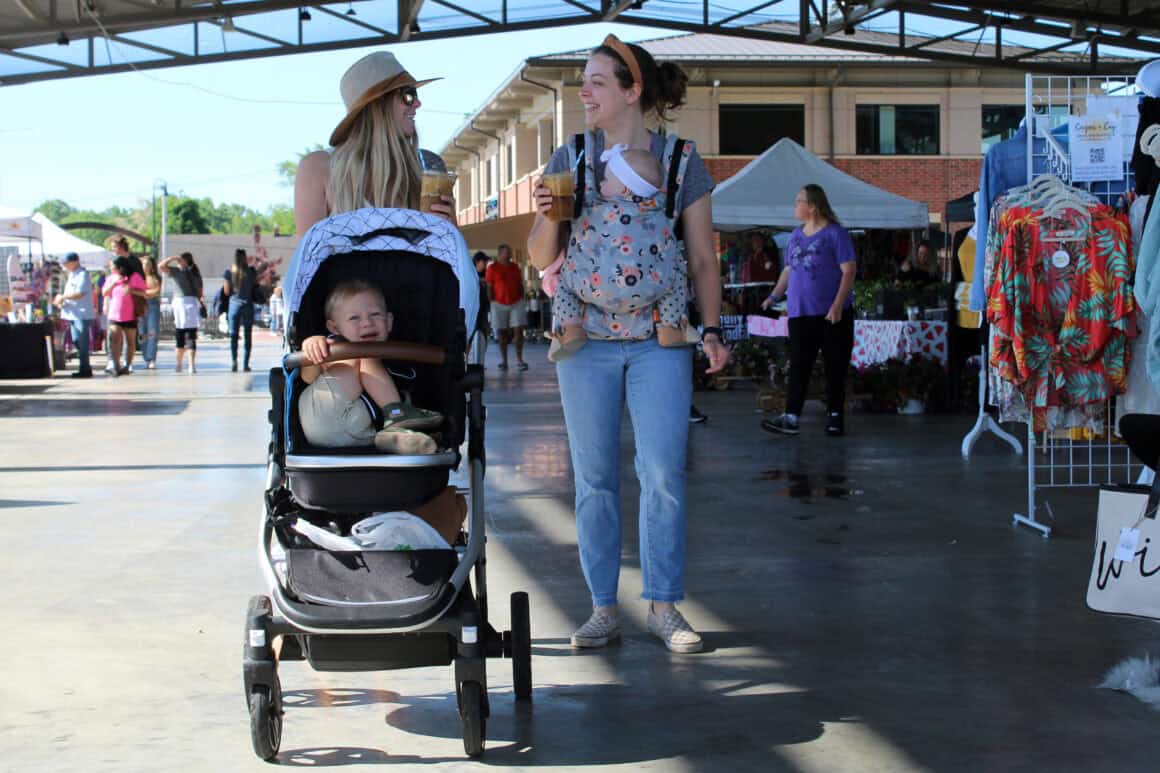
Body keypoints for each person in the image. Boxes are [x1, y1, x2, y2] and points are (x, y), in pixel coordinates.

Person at [526, 35, 729, 653]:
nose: (582, 91)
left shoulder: (681, 160)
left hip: (657, 339)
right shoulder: (572, 156)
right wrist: (546, 213)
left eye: (595, 81)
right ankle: (602, 608)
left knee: (663, 472)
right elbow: (542, 256)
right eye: (582, 80)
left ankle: (664, 607)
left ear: (631, 90)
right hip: (583, 338)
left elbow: (702, 256)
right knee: (593, 479)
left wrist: (713, 328)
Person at [548, 143, 689, 362]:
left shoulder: (593, 206)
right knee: (677, 271)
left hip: (595, 288)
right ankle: (669, 326)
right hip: (650, 288)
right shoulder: (659, 210)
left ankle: (570, 327)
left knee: (565, 281)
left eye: (605, 179)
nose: (601, 183)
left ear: (624, 188)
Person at [294, 50, 453, 235]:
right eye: (409, 95)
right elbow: (308, 259)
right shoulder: (319, 168)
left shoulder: (427, 167)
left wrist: (450, 229)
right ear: (378, 105)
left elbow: (449, 258)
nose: (418, 103)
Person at [298, 280, 442, 454]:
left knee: (401, 392)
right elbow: (307, 377)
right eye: (354, 318)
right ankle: (397, 414)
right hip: (323, 415)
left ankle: (395, 436)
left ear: (389, 321)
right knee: (362, 354)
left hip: (367, 432)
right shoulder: (333, 346)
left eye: (374, 314)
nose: (367, 323)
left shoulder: (398, 363)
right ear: (334, 327)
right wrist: (312, 348)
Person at [761, 184, 856, 437]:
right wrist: (774, 295)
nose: (795, 206)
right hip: (800, 313)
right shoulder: (795, 236)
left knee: (835, 366)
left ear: (812, 205)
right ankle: (791, 416)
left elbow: (849, 271)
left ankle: (835, 415)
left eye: (798, 201)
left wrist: (837, 305)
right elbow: (788, 269)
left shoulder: (836, 234)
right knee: (799, 365)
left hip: (832, 314)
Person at [484, 244, 528, 371]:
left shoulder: (515, 267)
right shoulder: (492, 268)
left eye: (509, 252)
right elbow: (489, 287)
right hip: (498, 303)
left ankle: (520, 360)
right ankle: (504, 361)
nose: (509, 255)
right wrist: (492, 302)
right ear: (500, 254)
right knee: (502, 332)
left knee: (518, 330)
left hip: (516, 302)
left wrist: (522, 298)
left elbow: (520, 284)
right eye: (506, 252)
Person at [160, 252, 204, 374]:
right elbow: (200, 292)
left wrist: (171, 258)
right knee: (190, 335)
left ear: (186, 261)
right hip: (191, 303)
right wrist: (173, 258)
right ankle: (190, 365)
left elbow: (161, 266)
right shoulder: (195, 273)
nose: (178, 262)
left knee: (182, 335)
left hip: (181, 303)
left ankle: (181, 364)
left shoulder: (178, 272)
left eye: (180, 260)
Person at [102, 256, 147, 376]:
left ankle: (127, 365)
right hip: (114, 314)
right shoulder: (111, 278)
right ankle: (115, 365)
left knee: (130, 341)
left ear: (119, 267)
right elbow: (104, 293)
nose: (110, 268)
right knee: (115, 339)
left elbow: (144, 293)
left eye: (112, 266)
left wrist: (131, 290)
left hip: (131, 314)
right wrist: (114, 284)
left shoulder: (135, 277)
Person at [53, 252, 94, 378]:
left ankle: (85, 369)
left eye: (66, 263)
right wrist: (62, 302)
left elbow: (80, 293)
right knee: (77, 342)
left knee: (82, 342)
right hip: (72, 314)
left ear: (75, 262)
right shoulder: (72, 275)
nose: (65, 266)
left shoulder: (83, 275)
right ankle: (83, 367)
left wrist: (63, 297)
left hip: (81, 314)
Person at [223, 249, 258, 372]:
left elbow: (226, 291)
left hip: (234, 306)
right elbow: (255, 287)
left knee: (234, 335)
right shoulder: (251, 272)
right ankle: (246, 364)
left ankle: (234, 362)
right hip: (248, 305)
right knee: (248, 335)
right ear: (245, 257)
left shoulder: (229, 272)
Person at [139, 257, 163, 369]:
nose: (145, 266)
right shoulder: (138, 277)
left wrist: (144, 292)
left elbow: (156, 291)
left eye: (147, 264)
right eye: (143, 264)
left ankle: (151, 357)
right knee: (142, 333)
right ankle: (145, 356)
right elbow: (136, 291)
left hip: (152, 305)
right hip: (140, 305)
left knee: (152, 332)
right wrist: (143, 293)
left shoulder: (155, 278)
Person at [471, 252, 491, 365]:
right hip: (472, 309)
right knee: (469, 334)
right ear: (477, 262)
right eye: (484, 262)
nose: (485, 264)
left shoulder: (487, 274)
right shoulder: (470, 273)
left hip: (483, 309)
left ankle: (480, 361)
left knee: (483, 333)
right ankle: (465, 360)